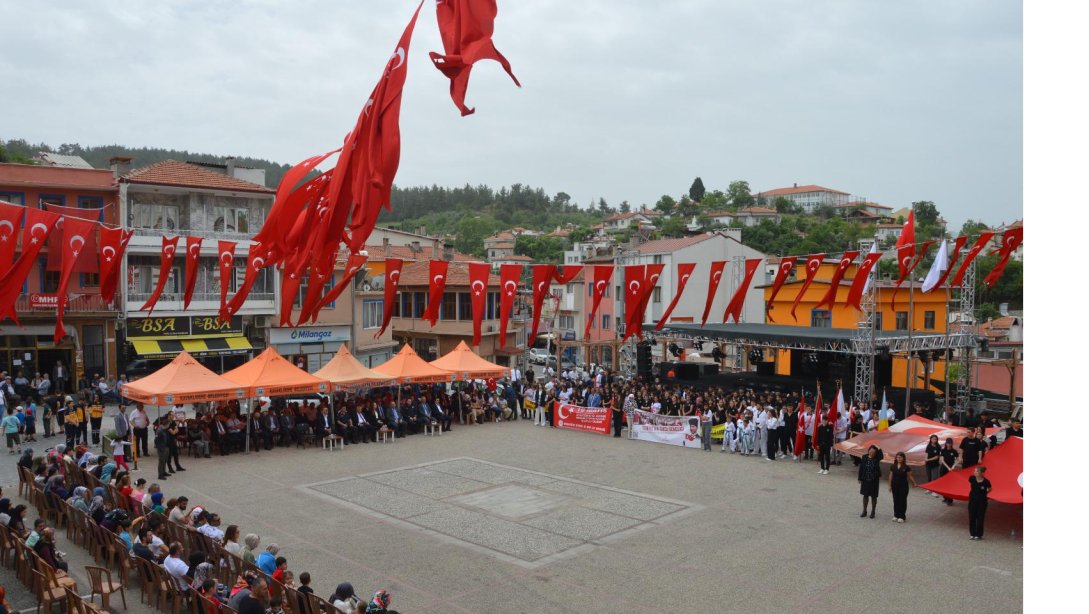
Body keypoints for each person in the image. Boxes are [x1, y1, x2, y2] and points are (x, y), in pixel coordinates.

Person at [888, 451, 917, 523]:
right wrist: (889, 486)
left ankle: (902, 516)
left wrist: (914, 483)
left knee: (902, 501)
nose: (899, 458)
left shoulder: (907, 467)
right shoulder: (893, 466)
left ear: (903, 458)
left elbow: (910, 476)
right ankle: (896, 515)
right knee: (895, 500)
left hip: (903, 486)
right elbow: (890, 476)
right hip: (895, 486)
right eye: (897, 457)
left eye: (900, 457)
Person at [967, 466, 992, 540]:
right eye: (974, 471)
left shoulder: (986, 481)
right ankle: (972, 534)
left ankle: (979, 534)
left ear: (981, 473)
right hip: (972, 501)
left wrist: (985, 493)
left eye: (977, 471)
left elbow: (990, 488)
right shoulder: (972, 478)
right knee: (972, 517)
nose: (975, 472)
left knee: (980, 518)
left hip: (982, 503)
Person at [857, 445, 881, 519]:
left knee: (874, 496)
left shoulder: (877, 458)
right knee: (865, 495)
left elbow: (881, 455)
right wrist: (859, 478)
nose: (871, 453)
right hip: (865, 479)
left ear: (875, 453)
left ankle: (873, 511)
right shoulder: (864, 457)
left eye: (873, 452)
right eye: (870, 451)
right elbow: (861, 468)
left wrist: (879, 448)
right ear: (868, 451)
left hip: (874, 480)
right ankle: (864, 511)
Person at [938, 437, 959, 506]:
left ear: (952, 444)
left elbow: (957, 460)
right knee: (944, 484)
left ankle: (950, 500)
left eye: (950, 443)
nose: (949, 444)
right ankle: (945, 497)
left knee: (950, 484)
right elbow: (942, 460)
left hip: (951, 469)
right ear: (946, 443)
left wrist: (953, 466)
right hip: (944, 468)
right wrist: (948, 467)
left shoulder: (954, 451)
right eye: (947, 443)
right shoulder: (943, 450)